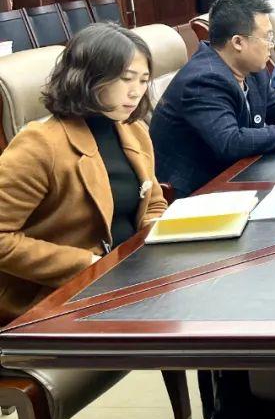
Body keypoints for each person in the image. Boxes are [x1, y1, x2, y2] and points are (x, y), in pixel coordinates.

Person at [0, 23, 168, 325]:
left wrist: (157, 235)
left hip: (129, 275)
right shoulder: (40, 144)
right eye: (126, 78)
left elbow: (154, 201)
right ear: (88, 77)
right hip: (57, 296)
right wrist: (88, 264)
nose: (136, 91)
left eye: (144, 80)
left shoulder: (134, 131)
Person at [151, 0, 275, 198]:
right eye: (267, 37)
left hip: (239, 173)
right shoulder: (204, 79)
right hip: (200, 190)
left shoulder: (250, 67)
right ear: (238, 42)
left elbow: (274, 104)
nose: (271, 45)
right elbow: (230, 142)